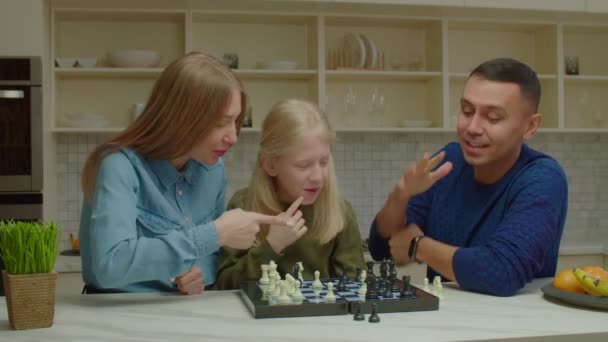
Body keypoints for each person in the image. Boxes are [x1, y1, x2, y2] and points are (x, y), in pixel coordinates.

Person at [79, 52, 284, 294]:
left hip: (178, 311)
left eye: (236, 121)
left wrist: (198, 274)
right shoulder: (118, 166)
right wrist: (216, 233)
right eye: (221, 122)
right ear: (181, 118)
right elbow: (110, 265)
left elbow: (210, 259)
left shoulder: (212, 171)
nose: (233, 137)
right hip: (113, 311)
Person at [368, 58, 568, 297]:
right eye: (467, 111)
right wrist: (400, 196)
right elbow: (383, 247)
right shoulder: (449, 161)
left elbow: (502, 272)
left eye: (493, 117)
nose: (472, 127)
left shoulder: (542, 179)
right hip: (449, 323)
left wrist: (418, 246)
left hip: (517, 328)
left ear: (530, 126)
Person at [215, 99, 366, 289]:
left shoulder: (340, 211)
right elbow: (224, 286)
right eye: (303, 165)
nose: (318, 177)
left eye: (324, 162)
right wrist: (271, 246)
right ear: (270, 165)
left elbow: (357, 286)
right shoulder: (243, 206)